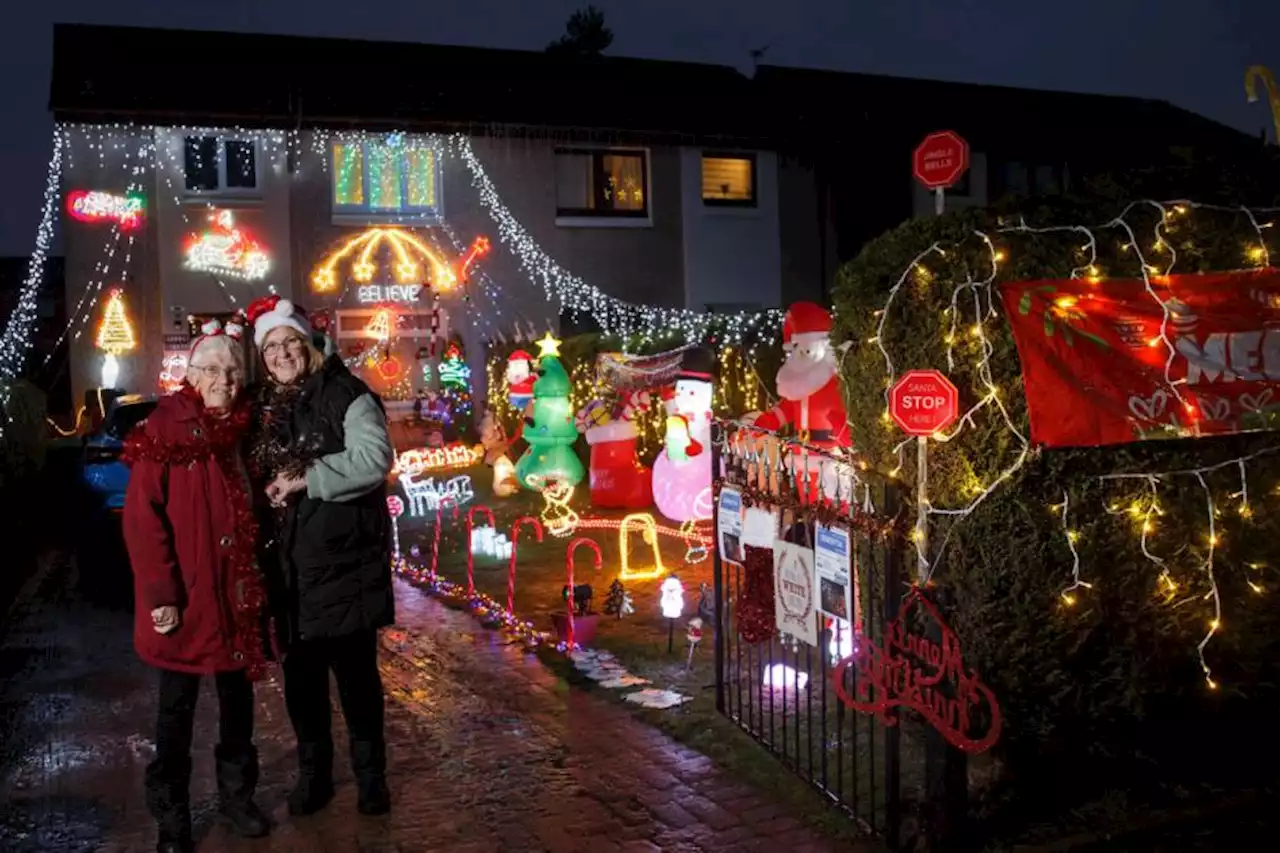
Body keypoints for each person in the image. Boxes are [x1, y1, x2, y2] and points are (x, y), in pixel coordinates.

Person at [122, 319, 271, 853]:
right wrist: (162, 596)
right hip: (184, 602)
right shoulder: (165, 427)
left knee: (238, 707)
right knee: (175, 714)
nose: (224, 381)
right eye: (211, 370)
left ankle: (237, 799)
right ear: (191, 375)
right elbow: (143, 521)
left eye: (232, 371)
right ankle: (173, 819)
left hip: (234, 599)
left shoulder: (245, 428)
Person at [244, 295, 395, 817]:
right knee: (302, 684)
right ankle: (316, 776)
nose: (282, 354)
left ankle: (371, 777)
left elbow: (374, 458)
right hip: (287, 572)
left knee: (356, 681)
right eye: (271, 347)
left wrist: (308, 479)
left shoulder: (347, 393)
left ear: (309, 344)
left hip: (344, 564)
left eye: (290, 342)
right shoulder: (263, 407)